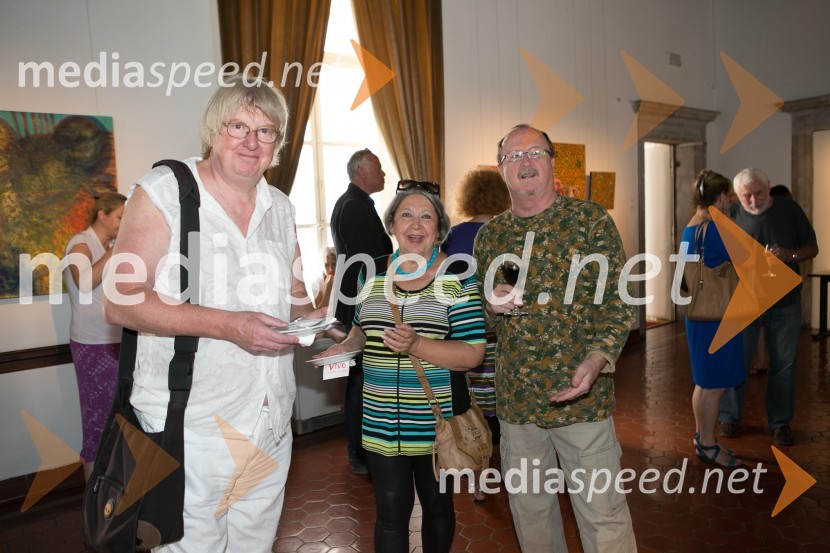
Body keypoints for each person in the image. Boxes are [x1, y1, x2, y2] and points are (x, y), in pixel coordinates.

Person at [103, 74, 326, 552]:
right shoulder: (166, 190)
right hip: (190, 421)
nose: (251, 141)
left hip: (269, 416)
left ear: (278, 143)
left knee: (253, 544)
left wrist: (323, 328)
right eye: (237, 126)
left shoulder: (280, 208)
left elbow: (294, 297)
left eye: (266, 131)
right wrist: (229, 325)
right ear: (211, 131)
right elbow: (119, 299)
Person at [473, 124, 637, 552]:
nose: (525, 162)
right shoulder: (490, 237)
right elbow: (483, 324)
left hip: (582, 400)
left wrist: (599, 357)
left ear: (550, 161)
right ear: (501, 170)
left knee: (604, 519)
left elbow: (619, 304)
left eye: (535, 153)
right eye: (514, 156)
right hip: (518, 407)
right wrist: (490, 305)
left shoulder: (589, 221)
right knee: (532, 519)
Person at [317, 181, 486, 553]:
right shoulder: (371, 273)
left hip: (435, 419)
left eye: (427, 216)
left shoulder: (456, 277)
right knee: (390, 512)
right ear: (392, 224)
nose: (416, 223)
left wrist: (418, 344)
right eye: (406, 214)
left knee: (437, 507)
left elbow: (474, 352)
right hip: (379, 417)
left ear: (439, 230)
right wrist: (340, 345)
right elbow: (362, 333)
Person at [719, 168, 818, 446]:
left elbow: (812, 247)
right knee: (738, 361)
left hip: (785, 302)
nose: (753, 200)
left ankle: (780, 423)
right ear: (737, 196)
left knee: (784, 365)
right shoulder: (732, 214)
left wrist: (790, 255)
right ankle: (729, 416)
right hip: (746, 300)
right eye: (746, 195)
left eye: (758, 193)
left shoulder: (789, 210)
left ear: (769, 186)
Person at [442, 168, 511, 504]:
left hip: (463, 332)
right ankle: (514, 473)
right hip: (499, 331)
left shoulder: (452, 235)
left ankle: (481, 481)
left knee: (474, 410)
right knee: (503, 407)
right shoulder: (504, 233)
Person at [330, 148, 394, 474]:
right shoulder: (355, 207)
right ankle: (359, 452)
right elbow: (370, 264)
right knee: (358, 379)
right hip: (360, 304)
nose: (383, 174)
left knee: (358, 377)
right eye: (378, 168)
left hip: (354, 301)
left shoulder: (352, 203)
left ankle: (362, 449)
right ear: (361, 172)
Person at [681, 170, 744, 467]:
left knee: (703, 383)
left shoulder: (690, 228)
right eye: (728, 195)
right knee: (715, 385)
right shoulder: (717, 230)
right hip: (717, 316)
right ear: (720, 197)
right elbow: (748, 260)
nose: (730, 201)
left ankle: (702, 438)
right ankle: (708, 444)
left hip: (698, 315)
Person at [63, 191, 126, 481]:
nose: (123, 223)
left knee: (119, 422)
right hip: (91, 346)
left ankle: (114, 492)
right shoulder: (80, 243)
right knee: (96, 423)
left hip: (117, 342)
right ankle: (94, 502)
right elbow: (85, 281)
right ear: (102, 216)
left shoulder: (112, 245)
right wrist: (115, 252)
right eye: (120, 217)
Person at [750, 184, 793, 375]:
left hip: (773, 281)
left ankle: (764, 361)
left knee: (765, 322)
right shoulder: (786, 220)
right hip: (773, 280)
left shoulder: (779, 221)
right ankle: (764, 360)